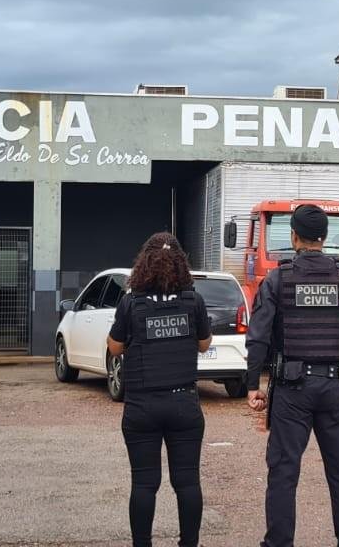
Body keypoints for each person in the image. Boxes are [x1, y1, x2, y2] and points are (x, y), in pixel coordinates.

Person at [245, 204, 339, 547]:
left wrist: (252, 386)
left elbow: (259, 335)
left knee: (283, 473)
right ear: (324, 237)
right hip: (338, 387)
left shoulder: (278, 278)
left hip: (292, 389)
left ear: (294, 236)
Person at [107, 232, 212, 547]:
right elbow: (204, 344)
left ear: (144, 263)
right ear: (181, 263)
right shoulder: (193, 301)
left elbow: (115, 347)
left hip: (142, 406)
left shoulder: (131, 302)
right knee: (187, 481)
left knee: (144, 483)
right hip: (183, 403)